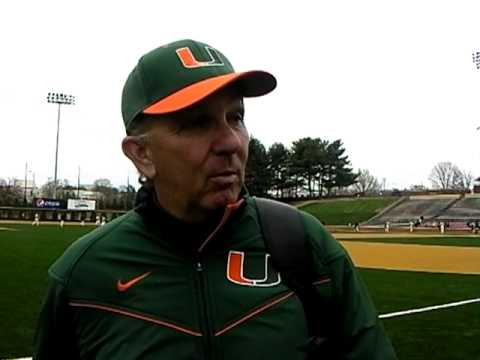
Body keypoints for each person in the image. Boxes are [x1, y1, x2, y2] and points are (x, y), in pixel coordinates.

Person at [34, 39, 397, 359]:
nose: (231, 143)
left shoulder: (306, 245)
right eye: (197, 123)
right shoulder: (82, 277)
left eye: (235, 117)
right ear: (142, 154)